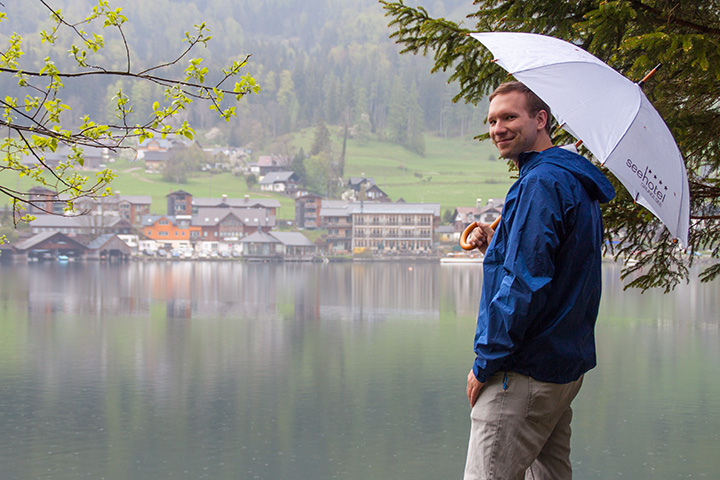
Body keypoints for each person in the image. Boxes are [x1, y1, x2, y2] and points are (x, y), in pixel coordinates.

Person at [462, 81, 616, 480]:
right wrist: (498, 245)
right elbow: (552, 264)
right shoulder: (571, 181)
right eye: (493, 120)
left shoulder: (540, 184)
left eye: (510, 117)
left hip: (523, 372)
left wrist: (484, 363)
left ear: (541, 120)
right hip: (562, 369)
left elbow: (523, 284)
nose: (498, 128)